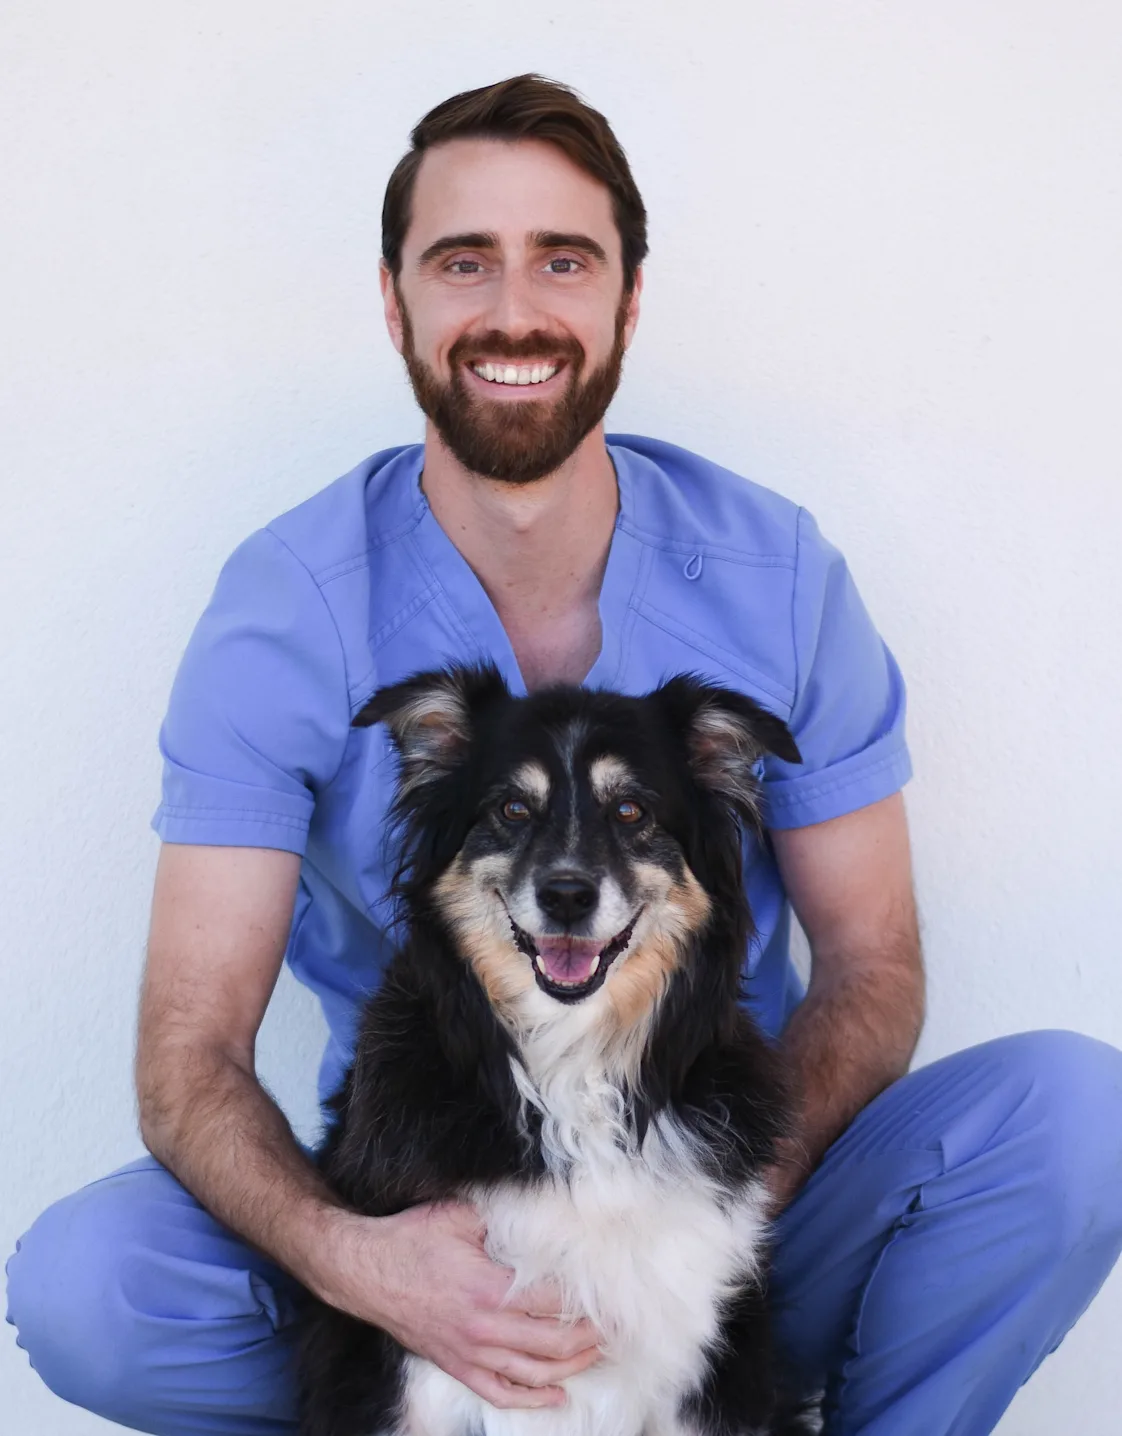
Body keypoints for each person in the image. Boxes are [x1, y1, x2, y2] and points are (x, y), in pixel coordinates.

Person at [6, 73, 1122, 1436]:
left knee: (1075, 1116)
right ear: (393, 297)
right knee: (91, 1285)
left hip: (711, 1171)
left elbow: (873, 968)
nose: (513, 310)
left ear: (626, 301)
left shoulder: (770, 572)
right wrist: (369, 1266)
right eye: (462, 261)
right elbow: (188, 1050)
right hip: (426, 1198)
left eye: (563, 260)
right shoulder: (286, 602)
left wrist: (681, 1236)